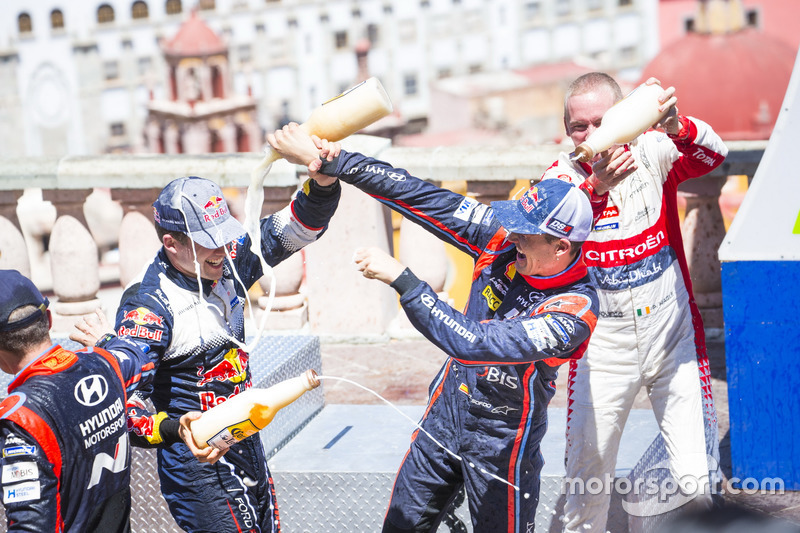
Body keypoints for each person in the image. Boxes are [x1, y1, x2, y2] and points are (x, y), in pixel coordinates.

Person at [269, 124, 599, 533]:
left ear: (561, 247)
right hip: (444, 417)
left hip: (503, 443)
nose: (510, 237)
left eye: (524, 235)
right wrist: (335, 161)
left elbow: (476, 344)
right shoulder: (501, 238)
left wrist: (404, 281)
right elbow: (415, 194)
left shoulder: (575, 309)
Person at [70, 144, 341, 533]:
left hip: (245, 442)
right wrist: (174, 427)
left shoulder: (227, 258)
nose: (219, 249)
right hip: (197, 463)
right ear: (171, 243)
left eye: (222, 234)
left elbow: (300, 226)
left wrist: (325, 181)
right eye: (205, 240)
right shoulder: (148, 308)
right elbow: (121, 407)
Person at [538, 72, 728, 532]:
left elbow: (715, 155)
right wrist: (595, 188)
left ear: (625, 116)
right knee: (587, 483)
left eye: (602, 121)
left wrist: (676, 126)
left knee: (697, 481)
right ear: (567, 130)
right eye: (579, 125)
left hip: (672, 339)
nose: (591, 134)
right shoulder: (561, 175)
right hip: (602, 352)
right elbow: (544, 237)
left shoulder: (652, 150)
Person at [0, 270, 153, 532]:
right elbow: (141, 362)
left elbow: (32, 524)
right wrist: (108, 339)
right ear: (48, 319)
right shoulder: (104, 362)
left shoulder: (20, 418)